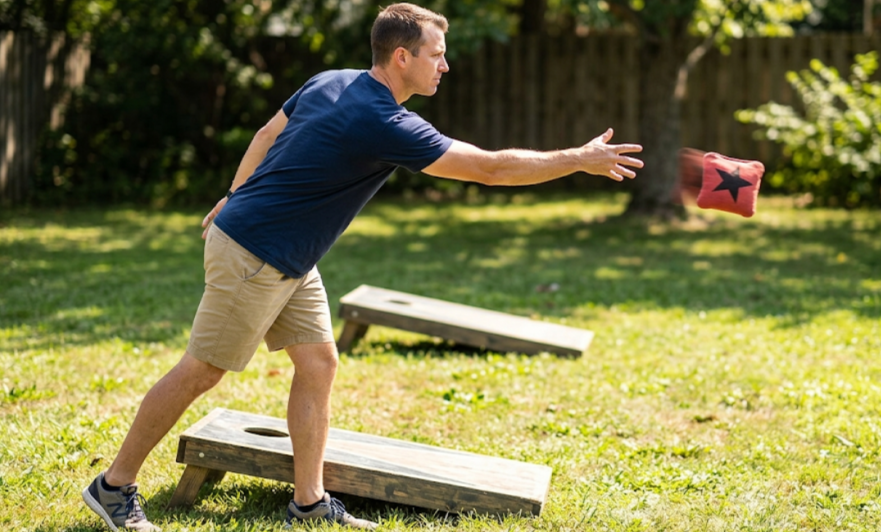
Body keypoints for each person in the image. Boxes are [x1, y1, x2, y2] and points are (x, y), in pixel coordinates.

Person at [82, 3, 643, 530]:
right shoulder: (382, 121)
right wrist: (578, 159)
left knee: (320, 362)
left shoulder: (332, 79)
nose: (445, 64)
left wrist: (236, 192)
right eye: (437, 53)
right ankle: (114, 485)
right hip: (256, 254)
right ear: (402, 57)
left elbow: (265, 134)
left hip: (288, 257)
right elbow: (490, 170)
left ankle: (308, 504)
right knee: (202, 370)